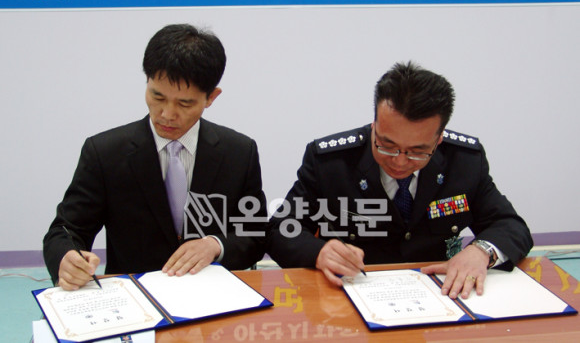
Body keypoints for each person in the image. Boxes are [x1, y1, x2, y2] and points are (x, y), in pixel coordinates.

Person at [267, 61, 533, 300]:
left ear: (438, 139)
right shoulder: (331, 162)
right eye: (387, 145)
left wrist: (481, 251)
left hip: (440, 295)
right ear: (374, 125)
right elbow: (280, 228)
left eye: (417, 151)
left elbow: (510, 225)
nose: (400, 161)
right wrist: (319, 252)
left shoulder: (464, 161)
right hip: (350, 295)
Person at [44, 23, 267, 290]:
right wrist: (66, 258)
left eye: (184, 103)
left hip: (213, 295)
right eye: (157, 96)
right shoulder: (105, 152)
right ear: (147, 82)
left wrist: (215, 245)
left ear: (211, 97)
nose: (167, 114)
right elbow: (65, 230)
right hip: (133, 296)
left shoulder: (239, 152)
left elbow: (255, 234)